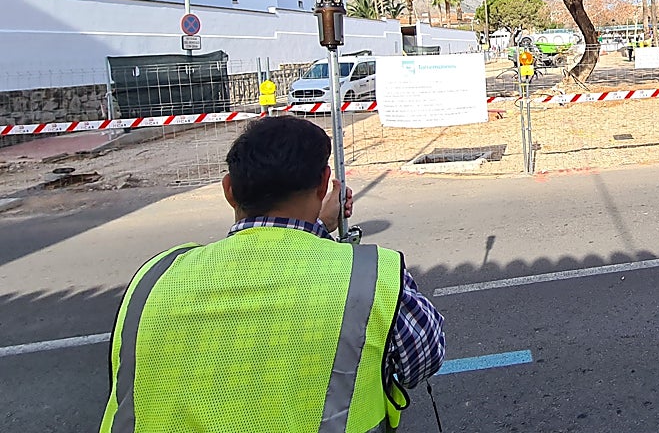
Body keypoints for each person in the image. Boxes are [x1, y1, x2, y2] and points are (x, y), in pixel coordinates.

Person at [99, 116, 445, 433]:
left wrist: (317, 227)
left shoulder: (155, 279)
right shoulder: (368, 278)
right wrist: (318, 232)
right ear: (324, 183)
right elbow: (424, 357)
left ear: (228, 189)